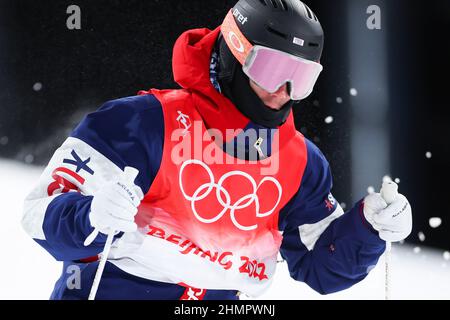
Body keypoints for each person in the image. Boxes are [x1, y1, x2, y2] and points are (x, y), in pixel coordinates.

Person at [22, 0, 412, 300]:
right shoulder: (139, 123)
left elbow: (321, 267)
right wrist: (90, 215)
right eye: (273, 70)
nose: (284, 93)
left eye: (302, 78)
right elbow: (39, 216)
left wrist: (368, 227)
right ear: (235, 53)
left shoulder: (301, 162)